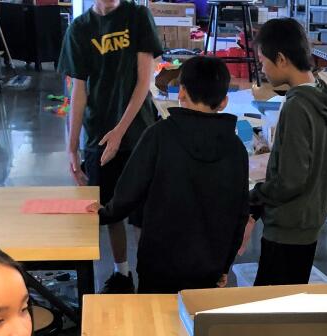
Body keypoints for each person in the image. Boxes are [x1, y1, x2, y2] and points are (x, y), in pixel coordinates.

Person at [92, 56, 249, 293]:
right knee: (194, 326)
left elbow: (130, 190)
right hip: (208, 267)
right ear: (225, 101)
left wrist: (104, 213)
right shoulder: (236, 149)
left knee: (154, 324)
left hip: (159, 264)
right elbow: (239, 214)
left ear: (181, 93)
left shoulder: (159, 135)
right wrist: (224, 266)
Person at [57, 0, 164, 293]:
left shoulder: (137, 15)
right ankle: (122, 273)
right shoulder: (79, 28)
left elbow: (145, 80)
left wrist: (120, 130)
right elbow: (78, 91)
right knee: (109, 209)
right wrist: (71, 147)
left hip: (138, 131)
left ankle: (147, 274)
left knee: (142, 213)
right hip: (97, 134)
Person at [247, 18, 327, 285]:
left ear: (282, 59)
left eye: (264, 61)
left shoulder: (298, 106)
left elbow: (290, 180)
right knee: (287, 303)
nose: (262, 68)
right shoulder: (321, 94)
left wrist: (255, 194)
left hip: (287, 226)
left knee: (269, 310)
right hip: (306, 220)